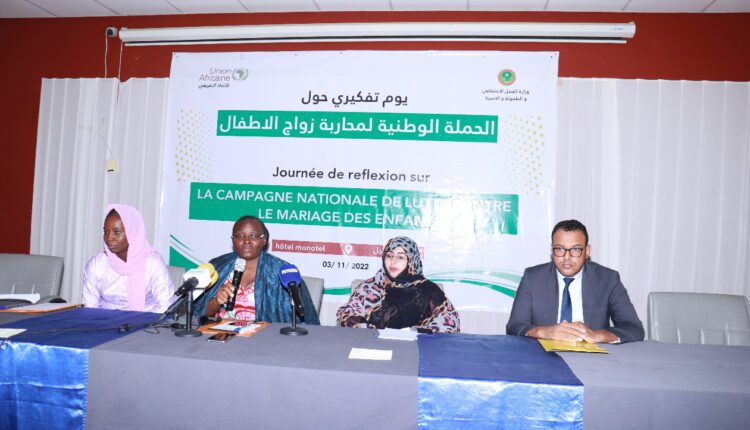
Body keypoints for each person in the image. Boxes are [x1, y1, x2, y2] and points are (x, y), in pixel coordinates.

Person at [506, 219, 644, 343]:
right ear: (551, 250)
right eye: (560, 249)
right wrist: (544, 332)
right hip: (544, 355)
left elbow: (634, 328)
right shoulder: (532, 278)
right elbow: (514, 325)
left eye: (576, 249)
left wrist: (598, 335)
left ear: (587, 251)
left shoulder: (608, 279)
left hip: (594, 357)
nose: (567, 257)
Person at [194, 215, 320, 325]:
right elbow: (200, 315)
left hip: (266, 338)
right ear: (233, 240)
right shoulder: (218, 266)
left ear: (264, 240)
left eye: (253, 236)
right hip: (221, 334)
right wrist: (216, 301)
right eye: (239, 236)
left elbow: (303, 319)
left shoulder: (282, 271)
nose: (246, 241)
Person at [337, 236, 460, 333]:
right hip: (373, 345)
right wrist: (368, 328)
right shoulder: (369, 287)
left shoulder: (428, 290)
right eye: (389, 256)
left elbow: (449, 322)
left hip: (418, 348)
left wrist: (414, 332)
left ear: (412, 261)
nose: (393, 262)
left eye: (400, 257)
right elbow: (346, 316)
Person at [82, 204, 174, 312]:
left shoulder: (153, 264)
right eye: (106, 232)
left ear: (132, 233)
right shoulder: (97, 264)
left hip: (147, 321)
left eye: (116, 232)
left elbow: (165, 307)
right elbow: (89, 308)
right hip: (105, 321)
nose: (109, 238)